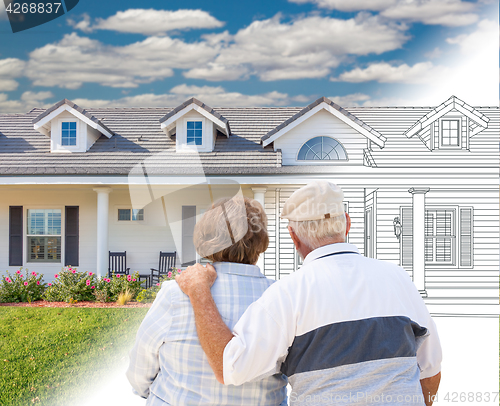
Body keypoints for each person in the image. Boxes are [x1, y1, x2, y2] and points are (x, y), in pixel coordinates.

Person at [176, 181, 442, 406]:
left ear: (294, 236)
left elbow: (229, 367)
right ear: (347, 224)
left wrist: (199, 291)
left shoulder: (287, 295)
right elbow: (430, 372)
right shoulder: (398, 279)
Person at [126, 196, 288, 405]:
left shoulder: (176, 293)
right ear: (261, 240)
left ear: (207, 238)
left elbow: (140, 370)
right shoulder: (282, 297)